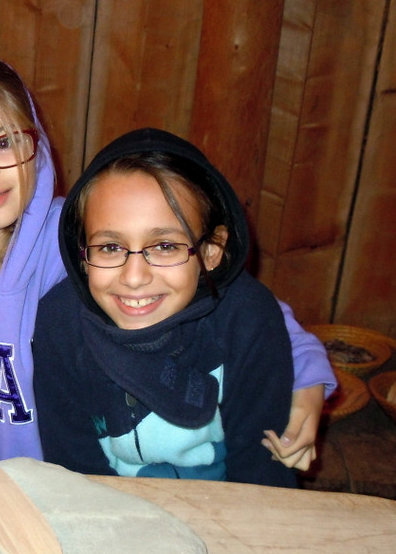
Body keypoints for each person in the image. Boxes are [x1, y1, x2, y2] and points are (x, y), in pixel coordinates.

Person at [0, 49, 332, 468]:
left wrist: (307, 379)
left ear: (36, 144)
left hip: (82, 489)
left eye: (3, 143)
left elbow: (236, 305)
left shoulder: (91, 240)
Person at [33, 127, 330, 487]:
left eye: (165, 247)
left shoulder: (249, 319)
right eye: (110, 247)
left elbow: (261, 476)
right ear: (82, 254)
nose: (134, 277)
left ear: (211, 251)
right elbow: (72, 468)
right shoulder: (58, 324)